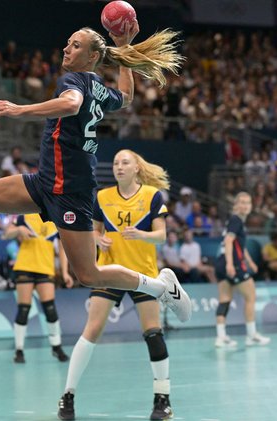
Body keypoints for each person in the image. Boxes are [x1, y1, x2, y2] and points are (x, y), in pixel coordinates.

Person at [0, 24, 191, 325]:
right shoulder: (98, 87)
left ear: (91, 57)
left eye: (75, 45)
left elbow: (71, 103)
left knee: (89, 274)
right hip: (44, 181)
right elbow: (126, 97)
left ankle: (160, 287)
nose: (66, 48)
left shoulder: (73, 81)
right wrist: (126, 52)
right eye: (67, 43)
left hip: (70, 192)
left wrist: (20, 110)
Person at [58, 149, 173, 420]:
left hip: (142, 274)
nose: (119, 167)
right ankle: (68, 395)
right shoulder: (102, 196)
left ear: (136, 168)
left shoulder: (152, 196)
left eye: (125, 163)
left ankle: (163, 400)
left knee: (153, 332)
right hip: (109, 271)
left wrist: (141, 234)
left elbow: (162, 236)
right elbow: (93, 230)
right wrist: (97, 239)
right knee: (92, 330)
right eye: (116, 163)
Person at [2, 214, 73, 364]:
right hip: (24, 266)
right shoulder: (24, 217)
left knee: (50, 309)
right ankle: (19, 350)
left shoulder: (56, 220)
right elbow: (6, 234)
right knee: (24, 309)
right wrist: (19, 229)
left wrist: (65, 272)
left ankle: (56, 346)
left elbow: (62, 249)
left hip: (45, 268)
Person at [214, 192, 270, 348]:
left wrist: (250, 262)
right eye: (242, 202)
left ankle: (221, 337)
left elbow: (240, 245)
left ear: (251, 206)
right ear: (236, 205)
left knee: (224, 300)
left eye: (248, 203)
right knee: (251, 297)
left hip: (219, 263)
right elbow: (229, 241)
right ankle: (252, 336)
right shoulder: (236, 220)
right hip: (231, 264)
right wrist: (230, 265)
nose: (245, 205)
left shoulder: (236, 222)